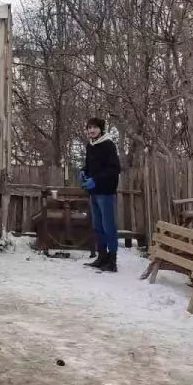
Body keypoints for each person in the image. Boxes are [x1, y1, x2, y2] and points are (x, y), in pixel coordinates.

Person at [81, 117, 121, 273]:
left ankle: (112, 260)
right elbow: (89, 165)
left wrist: (96, 180)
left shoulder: (108, 145)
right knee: (97, 226)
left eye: (95, 128)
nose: (91, 130)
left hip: (106, 191)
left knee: (108, 226)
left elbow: (114, 169)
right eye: (89, 128)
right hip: (94, 192)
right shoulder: (90, 146)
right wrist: (83, 171)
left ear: (101, 129)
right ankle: (101, 256)